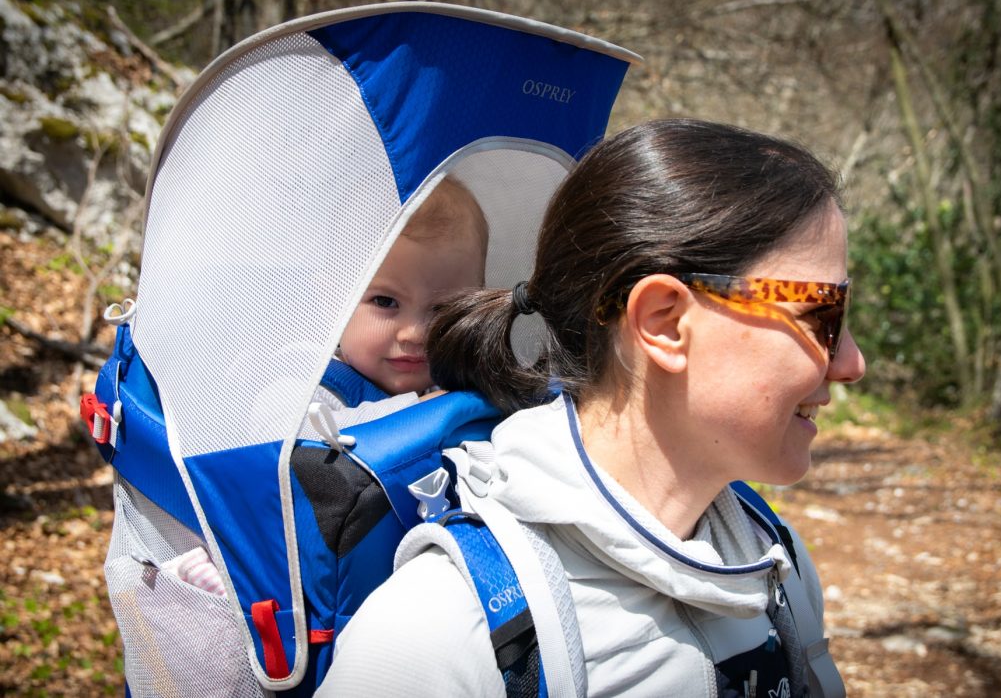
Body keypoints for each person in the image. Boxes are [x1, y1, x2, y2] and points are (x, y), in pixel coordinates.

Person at [317, 119, 865, 697]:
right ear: (665, 322)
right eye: (821, 314)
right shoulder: (438, 634)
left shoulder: (775, 561)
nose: (853, 362)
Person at [310, 175, 489, 426]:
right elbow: (280, 438)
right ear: (333, 300)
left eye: (442, 309)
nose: (415, 334)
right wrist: (420, 410)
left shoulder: (456, 384)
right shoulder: (309, 382)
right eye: (385, 302)